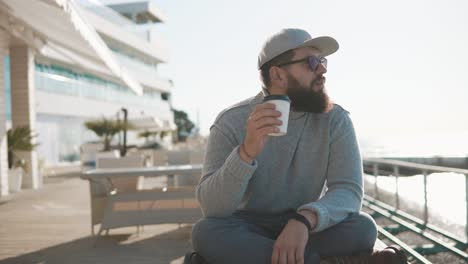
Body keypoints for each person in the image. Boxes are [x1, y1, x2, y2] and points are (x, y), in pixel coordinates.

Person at [184, 28, 407, 264]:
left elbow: (348, 191)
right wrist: (245, 153)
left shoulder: (335, 120)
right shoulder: (231, 122)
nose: (322, 69)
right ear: (278, 75)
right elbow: (212, 208)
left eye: (322, 61)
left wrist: (303, 220)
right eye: (311, 62)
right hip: (248, 228)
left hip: (307, 228)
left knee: (363, 227)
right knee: (206, 232)